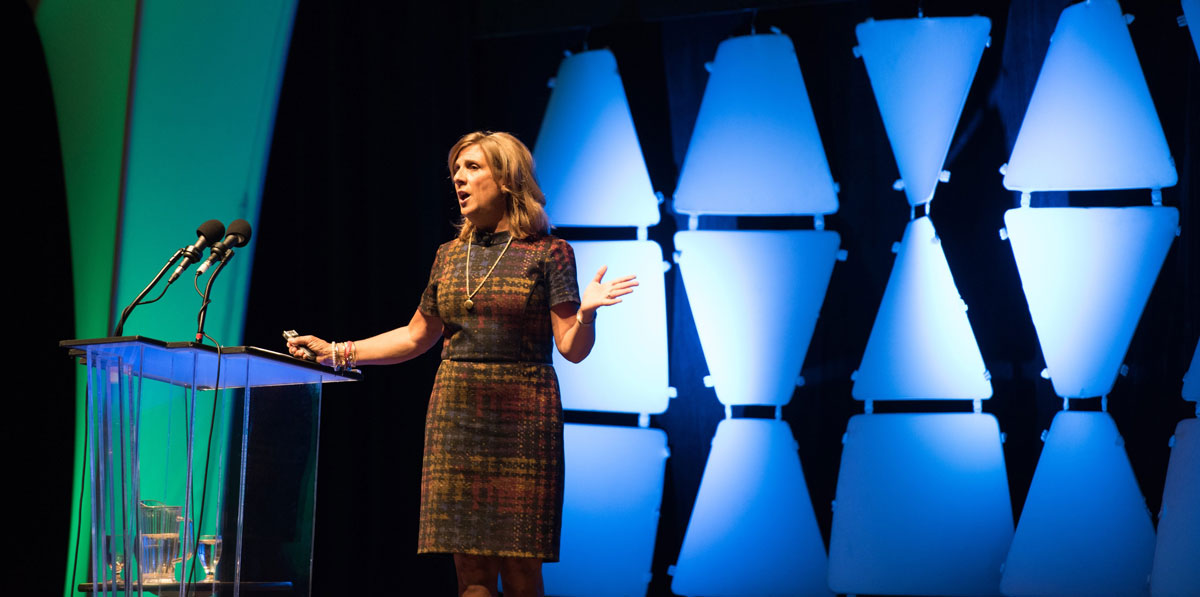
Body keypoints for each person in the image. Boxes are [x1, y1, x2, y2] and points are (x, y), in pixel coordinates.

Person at [287, 131, 637, 597]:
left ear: (508, 179)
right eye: (456, 169)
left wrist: (587, 314)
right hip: (456, 416)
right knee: (469, 571)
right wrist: (336, 350)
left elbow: (571, 347)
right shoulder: (449, 257)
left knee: (521, 570)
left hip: (524, 421)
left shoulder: (549, 253)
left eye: (472, 167)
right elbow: (415, 336)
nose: (458, 178)